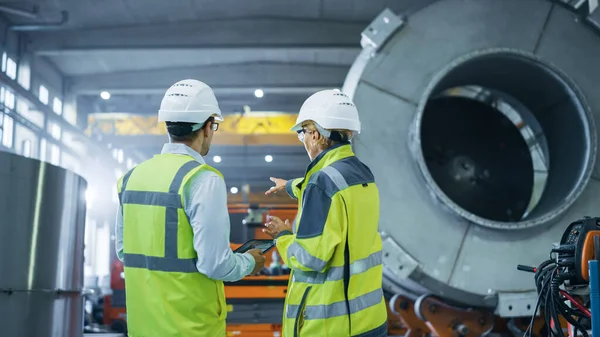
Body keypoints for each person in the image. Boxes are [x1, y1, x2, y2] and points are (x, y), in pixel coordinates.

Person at [114, 79, 266, 337]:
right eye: (214, 126)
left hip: (143, 327)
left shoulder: (131, 177)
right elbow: (215, 265)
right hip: (191, 328)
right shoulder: (202, 179)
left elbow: (123, 251)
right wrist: (250, 262)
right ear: (208, 127)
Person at [263, 89, 388, 337]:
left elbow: (310, 260)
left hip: (331, 326)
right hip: (369, 318)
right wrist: (290, 186)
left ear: (316, 134)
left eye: (303, 134)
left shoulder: (321, 184)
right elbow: (335, 196)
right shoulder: (362, 174)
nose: (304, 141)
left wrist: (283, 236)